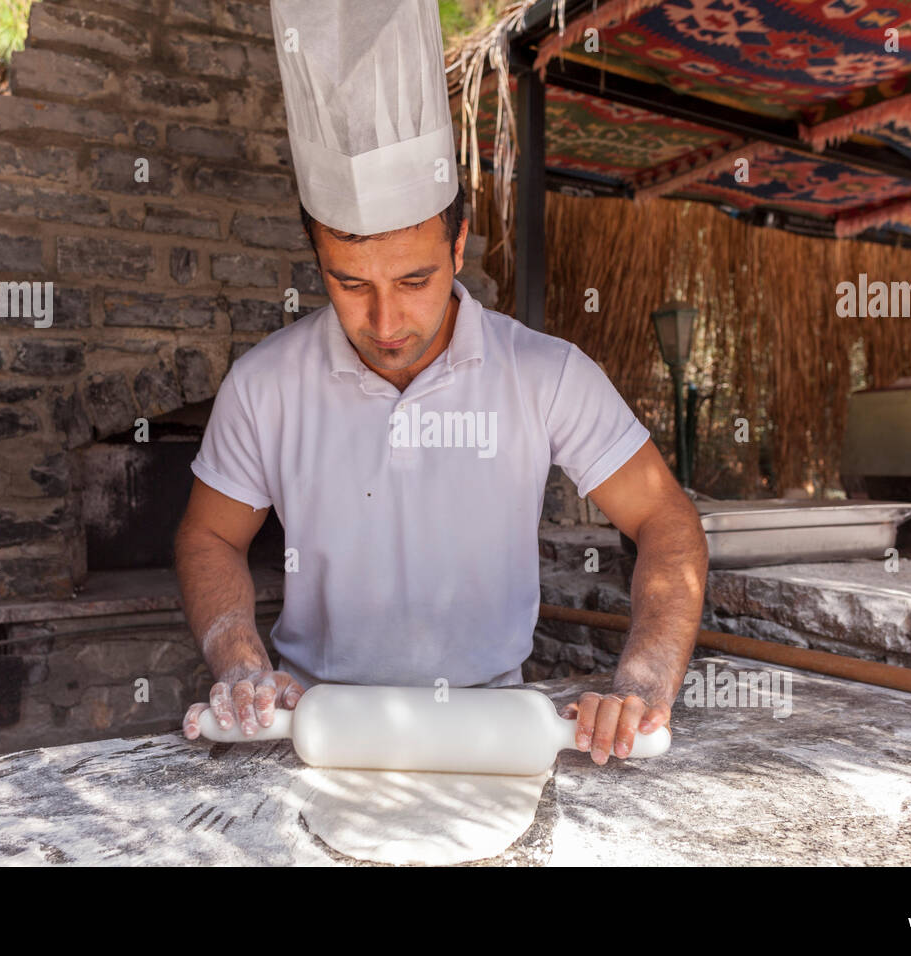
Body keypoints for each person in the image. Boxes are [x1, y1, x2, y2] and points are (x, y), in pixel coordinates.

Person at [174, 0, 708, 766]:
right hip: (311, 730)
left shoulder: (544, 375)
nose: (386, 320)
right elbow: (209, 536)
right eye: (350, 283)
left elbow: (666, 519)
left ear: (458, 245)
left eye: (415, 279)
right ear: (315, 256)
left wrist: (643, 682)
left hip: (493, 732)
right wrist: (239, 662)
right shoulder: (265, 387)